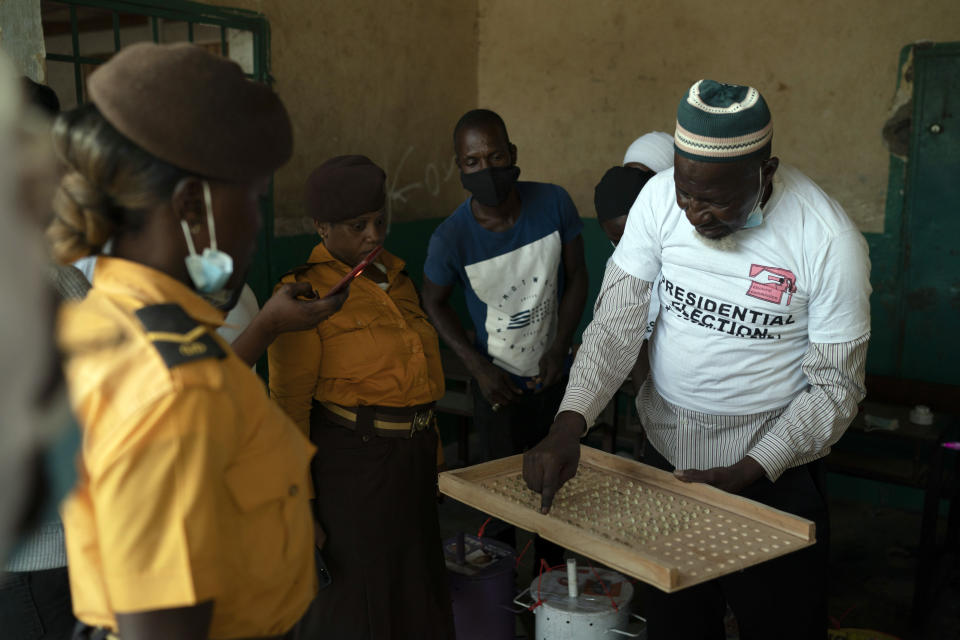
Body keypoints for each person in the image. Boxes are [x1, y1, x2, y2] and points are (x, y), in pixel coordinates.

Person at [523, 80, 871, 639]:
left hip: (771, 476)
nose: (694, 215)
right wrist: (571, 422)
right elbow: (615, 324)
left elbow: (835, 387)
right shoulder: (659, 200)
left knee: (778, 625)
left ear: (766, 170)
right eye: (687, 193)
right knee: (677, 625)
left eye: (715, 200)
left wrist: (749, 470)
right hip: (670, 462)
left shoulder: (827, 240)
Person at [48, 43, 344, 640]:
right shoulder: (169, 383)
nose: (256, 226)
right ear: (191, 207)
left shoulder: (119, 317)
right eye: (251, 200)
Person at [267, 155, 454, 640]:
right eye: (357, 226)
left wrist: (431, 459)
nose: (374, 234)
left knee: (416, 598)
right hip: (351, 467)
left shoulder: (399, 279)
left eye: (379, 220)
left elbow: (419, 386)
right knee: (358, 609)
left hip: (411, 463)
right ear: (322, 228)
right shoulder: (303, 293)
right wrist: (301, 507)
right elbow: (288, 407)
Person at [421, 108, 587, 565]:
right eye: (472, 162)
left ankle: (553, 594)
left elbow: (578, 277)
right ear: (460, 168)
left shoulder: (554, 204)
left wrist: (560, 346)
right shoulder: (451, 238)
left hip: (555, 377)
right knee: (500, 500)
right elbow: (431, 301)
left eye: (495, 156)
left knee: (560, 491)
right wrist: (478, 368)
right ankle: (499, 605)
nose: (486, 169)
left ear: (513, 154)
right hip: (497, 387)